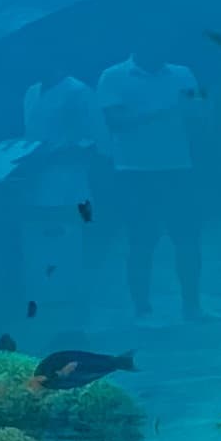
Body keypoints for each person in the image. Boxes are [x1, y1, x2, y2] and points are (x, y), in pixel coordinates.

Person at [97, 38, 204, 321]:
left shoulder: (183, 73)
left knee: (188, 239)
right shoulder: (113, 76)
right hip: (133, 172)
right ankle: (142, 308)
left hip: (178, 168)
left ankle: (192, 305)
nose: (161, 49)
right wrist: (168, 110)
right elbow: (116, 122)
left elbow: (196, 112)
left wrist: (194, 109)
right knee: (141, 242)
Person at [19, 64, 108, 331]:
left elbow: (94, 140)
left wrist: (55, 156)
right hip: (35, 183)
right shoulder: (31, 91)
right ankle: (46, 303)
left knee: (70, 243)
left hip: (70, 183)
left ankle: (73, 311)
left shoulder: (79, 92)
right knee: (41, 245)